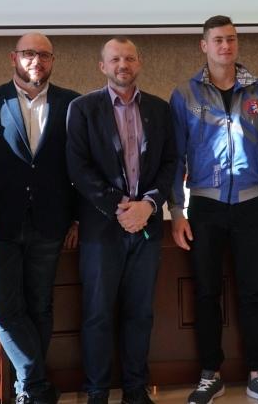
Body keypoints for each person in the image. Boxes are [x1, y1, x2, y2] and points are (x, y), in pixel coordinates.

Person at [170, 15, 258, 404]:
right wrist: (177, 210)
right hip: (205, 205)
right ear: (204, 45)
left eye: (231, 39)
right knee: (206, 293)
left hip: (252, 203)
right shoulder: (184, 94)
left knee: (254, 292)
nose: (225, 45)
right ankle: (210, 375)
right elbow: (175, 158)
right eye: (218, 40)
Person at [0, 33, 80, 404]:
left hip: (51, 224)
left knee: (40, 307)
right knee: (5, 310)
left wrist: (77, 219)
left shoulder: (71, 103)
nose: (37, 61)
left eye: (44, 55)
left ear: (53, 61)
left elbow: (79, 165)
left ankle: (26, 391)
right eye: (29, 53)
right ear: (13, 57)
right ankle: (35, 385)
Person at [66, 37, 177, 404]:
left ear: (139, 63)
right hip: (101, 227)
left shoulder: (159, 109)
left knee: (140, 312)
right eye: (115, 59)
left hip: (147, 225)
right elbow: (78, 168)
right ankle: (97, 391)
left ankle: (134, 389)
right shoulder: (82, 109)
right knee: (97, 313)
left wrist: (149, 205)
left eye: (129, 58)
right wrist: (122, 205)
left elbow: (170, 163)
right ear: (103, 66)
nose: (122, 65)